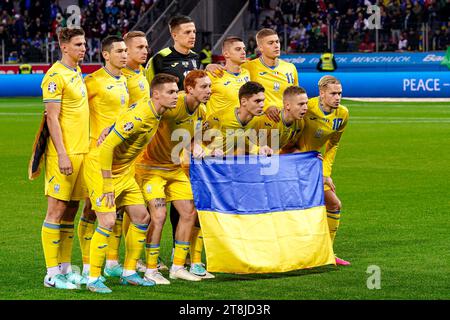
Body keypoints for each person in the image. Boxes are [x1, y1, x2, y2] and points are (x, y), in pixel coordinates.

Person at [84, 73, 179, 293]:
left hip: (124, 171)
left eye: (176, 91)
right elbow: (106, 148)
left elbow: (126, 113)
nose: (175, 96)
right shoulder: (141, 116)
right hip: (102, 170)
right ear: (156, 95)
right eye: (171, 92)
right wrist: (107, 185)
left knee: (142, 217)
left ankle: (129, 272)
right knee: (107, 222)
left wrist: (111, 125)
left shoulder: (154, 108)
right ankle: (93, 278)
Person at [135, 70, 214, 283]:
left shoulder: (201, 111)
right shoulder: (172, 103)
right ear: (189, 89)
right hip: (150, 168)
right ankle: (151, 269)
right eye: (204, 87)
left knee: (189, 212)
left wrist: (199, 147)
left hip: (174, 168)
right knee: (158, 216)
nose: (209, 90)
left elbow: (194, 140)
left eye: (209, 86)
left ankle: (178, 266)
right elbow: (141, 112)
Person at [39, 27, 89, 289]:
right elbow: (52, 119)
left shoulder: (76, 72)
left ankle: (66, 268)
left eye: (84, 44)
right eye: (78, 44)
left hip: (82, 152)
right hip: (64, 154)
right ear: (64, 46)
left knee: (71, 210)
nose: (83, 48)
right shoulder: (55, 76)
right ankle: (51, 273)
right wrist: (61, 154)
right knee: (56, 211)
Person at [78, 35, 129, 281]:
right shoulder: (93, 81)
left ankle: (110, 262)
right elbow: (75, 110)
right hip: (96, 156)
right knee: (91, 210)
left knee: (114, 211)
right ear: (106, 55)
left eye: (125, 51)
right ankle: (88, 265)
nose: (124, 54)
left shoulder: (126, 81)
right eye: (119, 51)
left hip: (119, 158)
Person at [295, 75, 350, 266]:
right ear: (322, 93)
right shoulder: (306, 108)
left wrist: (325, 173)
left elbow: (333, 144)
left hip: (312, 166)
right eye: (333, 93)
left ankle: (327, 254)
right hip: (291, 164)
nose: (338, 97)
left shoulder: (342, 114)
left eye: (340, 93)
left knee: (334, 204)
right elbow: (285, 134)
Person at [241, 28, 298, 123]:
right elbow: (228, 71)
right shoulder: (248, 67)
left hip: (286, 123)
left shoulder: (290, 67)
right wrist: (211, 66)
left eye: (277, 42)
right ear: (260, 48)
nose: (276, 46)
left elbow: (295, 95)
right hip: (259, 124)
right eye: (271, 43)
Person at [204, 81, 272, 157]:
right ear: (243, 102)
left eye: (263, 101)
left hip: (233, 165)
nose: (262, 105)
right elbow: (196, 140)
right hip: (208, 166)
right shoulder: (219, 118)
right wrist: (209, 152)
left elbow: (241, 139)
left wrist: (259, 149)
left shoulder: (258, 120)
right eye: (257, 101)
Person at [145, 15, 200, 91]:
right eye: (187, 32)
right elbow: (148, 89)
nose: (193, 36)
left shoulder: (195, 57)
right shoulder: (159, 58)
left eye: (194, 32)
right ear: (175, 36)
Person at [206, 36, 250, 119]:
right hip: (218, 130)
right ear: (226, 54)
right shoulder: (213, 74)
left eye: (244, 49)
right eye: (238, 49)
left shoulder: (246, 73)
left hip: (240, 128)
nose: (243, 52)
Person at [256, 85, 308, 153]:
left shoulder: (300, 123)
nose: (306, 108)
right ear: (287, 106)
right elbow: (242, 141)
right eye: (301, 104)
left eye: (306, 103)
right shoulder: (268, 119)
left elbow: (287, 148)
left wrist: (308, 156)